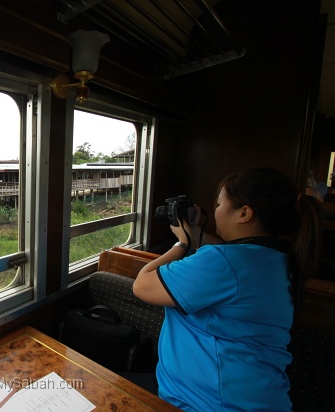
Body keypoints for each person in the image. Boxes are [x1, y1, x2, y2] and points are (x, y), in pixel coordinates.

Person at [133, 167, 322, 411]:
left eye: (219, 204)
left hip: (207, 402)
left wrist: (183, 242)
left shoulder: (224, 262)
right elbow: (229, 257)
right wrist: (196, 232)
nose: (215, 211)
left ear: (244, 213)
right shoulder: (277, 260)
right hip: (250, 399)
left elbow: (142, 285)